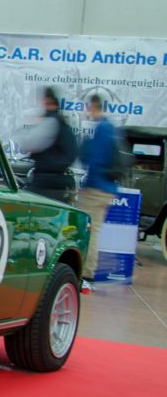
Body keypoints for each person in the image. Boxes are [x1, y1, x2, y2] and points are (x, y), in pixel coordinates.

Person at [78, 94, 118, 281]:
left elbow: (94, 161)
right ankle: (88, 271)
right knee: (95, 229)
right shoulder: (110, 127)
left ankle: (87, 273)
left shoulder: (102, 128)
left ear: (93, 106)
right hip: (106, 187)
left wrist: (85, 146)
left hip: (96, 188)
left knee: (90, 230)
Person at [15, 87, 78, 203]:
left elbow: (29, 143)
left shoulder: (51, 121)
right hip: (56, 182)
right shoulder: (61, 123)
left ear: (49, 102)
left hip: (47, 183)